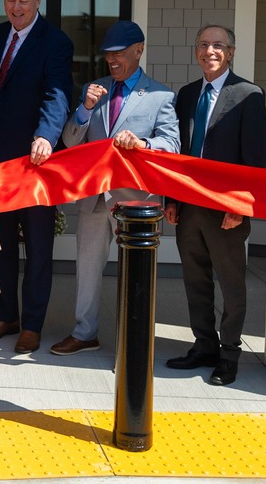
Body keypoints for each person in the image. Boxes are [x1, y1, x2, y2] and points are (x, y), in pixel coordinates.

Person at [50, 20, 180, 356]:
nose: (112, 60)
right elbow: (69, 140)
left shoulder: (161, 95)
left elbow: (172, 146)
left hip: (135, 201)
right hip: (94, 197)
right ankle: (85, 333)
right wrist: (85, 109)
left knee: (135, 276)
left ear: (139, 50)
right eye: (108, 54)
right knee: (87, 269)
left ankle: (132, 344)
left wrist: (142, 143)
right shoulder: (96, 89)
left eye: (119, 53)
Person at [0, 0, 73, 354]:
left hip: (36, 164)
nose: (16, 7)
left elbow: (57, 95)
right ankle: (6, 316)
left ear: (38, 0)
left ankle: (32, 324)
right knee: (0, 244)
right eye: (10, 0)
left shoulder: (56, 42)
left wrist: (46, 137)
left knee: (37, 248)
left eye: (24, 0)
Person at [164, 24, 266, 386]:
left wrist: (240, 205)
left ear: (231, 52)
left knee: (231, 284)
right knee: (195, 280)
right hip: (189, 205)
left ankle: (229, 355)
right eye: (204, 44)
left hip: (227, 210)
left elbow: (254, 160)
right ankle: (203, 346)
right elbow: (177, 152)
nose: (210, 50)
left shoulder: (248, 95)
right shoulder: (188, 94)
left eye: (218, 45)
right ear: (196, 51)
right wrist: (172, 199)